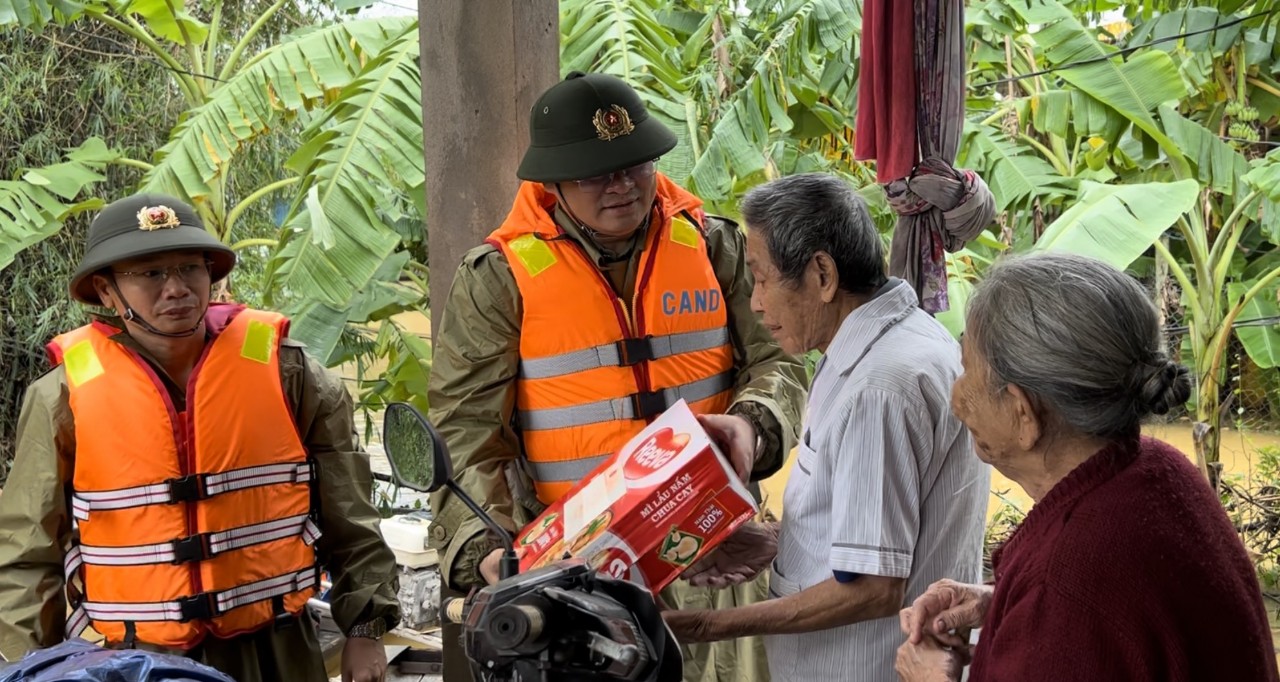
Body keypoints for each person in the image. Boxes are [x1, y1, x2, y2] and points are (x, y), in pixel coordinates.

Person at [426, 71, 807, 682]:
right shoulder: (499, 277)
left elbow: (781, 357)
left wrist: (753, 424)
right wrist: (491, 550)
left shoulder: (714, 246)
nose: (622, 184)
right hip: (578, 578)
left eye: (635, 164)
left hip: (710, 548)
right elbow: (466, 430)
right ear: (551, 180)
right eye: (595, 172)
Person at [0, 194, 402, 682]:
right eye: (150, 274)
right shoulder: (61, 398)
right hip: (136, 662)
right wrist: (28, 668)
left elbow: (350, 513)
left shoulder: (288, 371)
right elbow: (27, 551)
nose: (177, 289)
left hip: (278, 650)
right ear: (106, 292)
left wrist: (366, 629)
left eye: (190, 267)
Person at [661, 173, 989, 682]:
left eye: (762, 277)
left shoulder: (879, 386)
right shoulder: (897, 340)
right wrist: (781, 539)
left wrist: (702, 625)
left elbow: (872, 587)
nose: (755, 302)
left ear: (821, 274)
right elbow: (884, 524)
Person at [896, 252, 1280, 682]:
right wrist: (1003, 603)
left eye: (966, 370)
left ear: (1024, 414)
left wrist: (930, 679)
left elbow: (1086, 607)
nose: (956, 397)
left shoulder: (1069, 584)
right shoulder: (1158, 467)